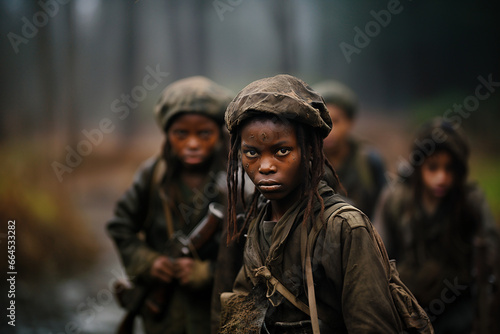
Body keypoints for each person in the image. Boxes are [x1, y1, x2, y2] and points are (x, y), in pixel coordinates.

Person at [217, 74, 422, 333]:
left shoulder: (344, 227)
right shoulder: (257, 222)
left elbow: (371, 324)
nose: (265, 166)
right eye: (252, 153)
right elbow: (242, 311)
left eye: (282, 151)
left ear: (311, 151)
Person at [106, 76, 233, 334]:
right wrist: (148, 262)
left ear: (220, 134)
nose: (193, 143)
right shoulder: (151, 175)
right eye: (181, 134)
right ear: (167, 134)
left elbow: (254, 249)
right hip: (163, 315)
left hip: (216, 312)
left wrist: (209, 273)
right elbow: (121, 227)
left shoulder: (237, 179)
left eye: (204, 133)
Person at [374, 118, 500, 334]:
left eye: (449, 169)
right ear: (419, 166)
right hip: (407, 308)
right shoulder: (395, 200)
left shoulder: (470, 202)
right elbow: (378, 254)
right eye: (433, 167)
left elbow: (490, 254)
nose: (441, 178)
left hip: (458, 310)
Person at [312, 80, 386, 219]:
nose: (329, 129)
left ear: (350, 122)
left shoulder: (369, 161)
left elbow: (383, 210)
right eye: (322, 121)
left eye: (336, 121)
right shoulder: (308, 163)